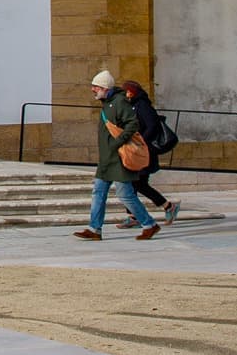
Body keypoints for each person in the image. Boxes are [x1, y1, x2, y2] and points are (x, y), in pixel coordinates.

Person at [74, 69, 160, 241]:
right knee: (98, 192)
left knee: (125, 195)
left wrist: (116, 142)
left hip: (119, 159)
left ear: (105, 88)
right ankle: (94, 229)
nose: (93, 90)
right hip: (107, 159)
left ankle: (149, 224)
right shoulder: (108, 102)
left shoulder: (119, 102)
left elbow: (132, 124)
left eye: (96, 87)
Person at [116, 80, 180, 228]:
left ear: (131, 92)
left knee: (138, 183)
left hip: (145, 152)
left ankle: (167, 206)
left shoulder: (143, 105)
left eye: (125, 92)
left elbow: (152, 126)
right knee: (134, 183)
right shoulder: (133, 106)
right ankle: (135, 216)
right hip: (137, 152)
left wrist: (140, 142)